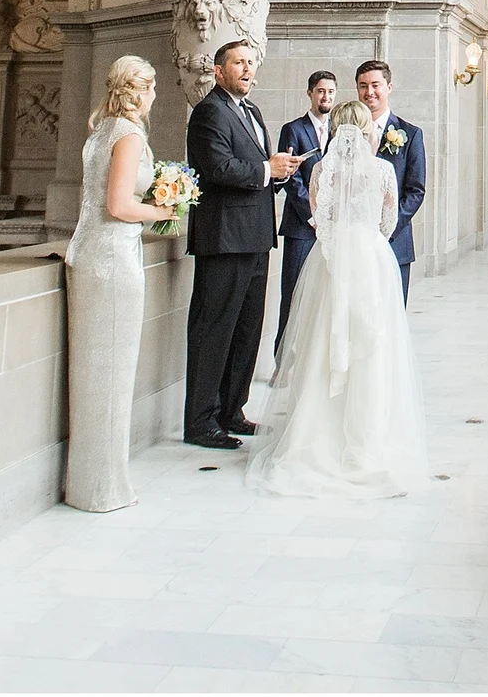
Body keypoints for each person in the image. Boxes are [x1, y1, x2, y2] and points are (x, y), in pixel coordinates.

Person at [249, 103, 429, 498]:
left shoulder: (321, 171)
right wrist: (367, 241)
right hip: (370, 259)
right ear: (365, 131)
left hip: (329, 259)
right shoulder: (382, 170)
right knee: (372, 344)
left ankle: (316, 435)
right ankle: (369, 438)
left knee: (323, 339)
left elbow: (318, 216)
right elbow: (387, 223)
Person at [62, 56, 179, 511]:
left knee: (95, 374)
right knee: (110, 375)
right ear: (140, 91)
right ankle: (102, 489)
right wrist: (163, 210)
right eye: (152, 88)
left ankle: (89, 484)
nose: (155, 96)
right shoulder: (128, 135)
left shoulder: (101, 132)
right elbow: (118, 206)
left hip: (90, 251)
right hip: (112, 259)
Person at [181, 40, 300, 448]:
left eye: (251, 62)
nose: (248, 69)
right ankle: (200, 422)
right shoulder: (208, 112)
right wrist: (267, 168)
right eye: (238, 63)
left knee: (247, 331)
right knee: (214, 330)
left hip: (256, 236)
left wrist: (279, 173)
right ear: (219, 71)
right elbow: (217, 168)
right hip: (224, 239)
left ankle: (232, 410)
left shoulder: (252, 111)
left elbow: (256, 170)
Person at [274, 70, 337, 352]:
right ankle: (282, 356)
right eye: (321, 91)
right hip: (302, 226)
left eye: (331, 92)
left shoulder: (339, 130)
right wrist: (312, 215)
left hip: (331, 229)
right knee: (293, 293)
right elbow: (291, 178)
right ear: (310, 93)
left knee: (323, 297)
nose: (326, 97)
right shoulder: (293, 129)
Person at [353, 60, 426, 299]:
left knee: (391, 312)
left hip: (395, 241)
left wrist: (386, 228)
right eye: (363, 86)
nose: (369, 92)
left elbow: (415, 191)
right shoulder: (345, 133)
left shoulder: (410, 134)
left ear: (389, 87)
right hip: (354, 246)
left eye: (375, 85)